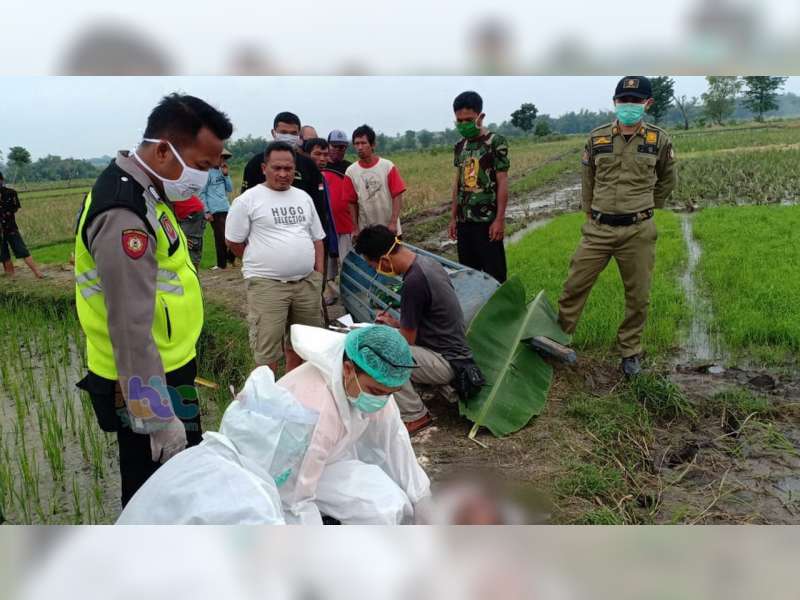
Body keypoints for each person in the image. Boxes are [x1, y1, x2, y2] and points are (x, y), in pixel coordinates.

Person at [73, 93, 233, 506]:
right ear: (164, 150)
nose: (205, 176)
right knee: (154, 494)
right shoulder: (124, 212)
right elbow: (129, 325)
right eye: (202, 166)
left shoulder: (148, 191)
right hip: (146, 381)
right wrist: (155, 416)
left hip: (168, 366)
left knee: (179, 483)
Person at [557, 76, 677, 377]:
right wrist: (589, 214)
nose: (629, 106)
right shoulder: (597, 138)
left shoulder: (658, 140)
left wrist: (648, 208)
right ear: (615, 102)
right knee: (573, 287)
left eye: (635, 101)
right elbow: (588, 181)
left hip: (638, 229)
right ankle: (557, 342)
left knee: (638, 295)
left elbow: (667, 179)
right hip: (598, 228)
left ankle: (630, 353)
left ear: (647, 104)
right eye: (624, 100)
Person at [276, 324, 432, 524]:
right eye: (376, 392)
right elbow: (294, 497)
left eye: (390, 394)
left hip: (327, 459)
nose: (383, 401)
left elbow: (394, 440)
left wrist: (422, 498)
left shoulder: (368, 381)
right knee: (380, 509)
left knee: (394, 504)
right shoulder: (315, 410)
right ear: (348, 369)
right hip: (282, 473)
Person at [354, 225, 480, 436]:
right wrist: (394, 324)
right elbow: (426, 322)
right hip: (452, 350)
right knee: (386, 339)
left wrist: (379, 335)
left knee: (382, 353)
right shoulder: (426, 263)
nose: (376, 270)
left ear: (384, 260)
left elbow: (406, 342)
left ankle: (415, 415)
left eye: (372, 265)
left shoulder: (414, 281)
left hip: (448, 360)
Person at [225, 141, 326, 374]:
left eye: (288, 169)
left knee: (304, 345)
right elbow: (233, 241)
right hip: (267, 286)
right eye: (277, 168)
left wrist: (318, 274)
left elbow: (317, 238)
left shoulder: (303, 197)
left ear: (295, 170)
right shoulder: (247, 201)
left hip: (306, 284)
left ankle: (293, 389)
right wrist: (258, 261)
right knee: (267, 350)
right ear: (264, 168)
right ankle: (267, 398)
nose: (283, 174)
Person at [449, 90, 510, 283]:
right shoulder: (460, 146)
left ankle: (502, 311)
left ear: (480, 117)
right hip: (464, 222)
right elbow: (457, 182)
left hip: (487, 222)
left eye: (468, 119)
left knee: (495, 275)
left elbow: (502, 181)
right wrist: (453, 217)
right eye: (459, 120)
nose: (463, 124)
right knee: (469, 275)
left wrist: (499, 219)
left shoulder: (495, 142)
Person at [240, 111, 329, 234]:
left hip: (301, 233)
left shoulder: (308, 165)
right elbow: (245, 204)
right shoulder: (255, 164)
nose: (288, 136)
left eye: (293, 133)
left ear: (299, 136)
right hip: (265, 232)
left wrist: (321, 241)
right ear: (273, 133)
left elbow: (318, 206)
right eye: (283, 132)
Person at [342, 124, 406, 237]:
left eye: (363, 143)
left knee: (395, 254)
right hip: (367, 231)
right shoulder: (350, 172)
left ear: (372, 145)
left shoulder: (387, 166)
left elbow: (397, 195)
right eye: (357, 143)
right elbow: (351, 203)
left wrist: (393, 222)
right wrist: (356, 228)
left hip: (390, 229)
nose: (360, 147)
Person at [304, 137, 342, 304]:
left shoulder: (323, 179)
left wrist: (332, 243)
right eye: (317, 154)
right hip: (304, 240)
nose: (322, 159)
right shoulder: (300, 181)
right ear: (306, 155)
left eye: (325, 155)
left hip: (323, 238)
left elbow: (328, 214)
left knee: (319, 279)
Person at [0, 172, 45, 278]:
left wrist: (4, 213)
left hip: (10, 227)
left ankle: (38, 273)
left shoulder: (11, 193)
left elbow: (15, 208)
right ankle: (11, 277)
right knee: (4, 255)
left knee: (22, 250)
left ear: (2, 180)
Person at [199, 148, 235, 269]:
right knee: (220, 237)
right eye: (220, 157)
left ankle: (230, 258)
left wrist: (226, 175)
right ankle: (222, 264)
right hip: (215, 210)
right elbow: (202, 193)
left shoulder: (222, 172)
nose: (222, 160)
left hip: (226, 208)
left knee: (231, 234)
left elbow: (229, 189)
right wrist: (206, 211)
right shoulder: (207, 173)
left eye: (224, 158)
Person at [175, 193, 207, 268]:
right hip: (186, 213)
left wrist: (180, 235)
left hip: (192, 213)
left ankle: (193, 276)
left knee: (190, 245)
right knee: (184, 243)